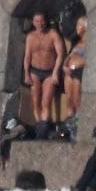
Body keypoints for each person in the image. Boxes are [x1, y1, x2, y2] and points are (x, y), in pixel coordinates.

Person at [22, 11, 64, 139]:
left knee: (46, 101)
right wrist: (26, 74)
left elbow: (60, 54)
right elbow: (27, 56)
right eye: (37, 21)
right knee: (36, 102)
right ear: (33, 23)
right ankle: (39, 128)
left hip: (49, 72)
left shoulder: (52, 34)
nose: (39, 24)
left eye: (41, 21)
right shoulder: (30, 36)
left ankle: (43, 128)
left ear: (45, 21)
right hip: (34, 71)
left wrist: (56, 72)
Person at [63, 16, 88, 136]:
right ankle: (69, 126)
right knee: (69, 99)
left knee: (76, 99)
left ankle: (78, 125)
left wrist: (79, 63)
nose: (76, 28)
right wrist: (64, 65)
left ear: (85, 27)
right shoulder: (76, 41)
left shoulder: (90, 42)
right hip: (69, 71)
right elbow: (68, 55)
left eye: (79, 25)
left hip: (79, 72)